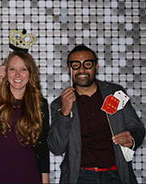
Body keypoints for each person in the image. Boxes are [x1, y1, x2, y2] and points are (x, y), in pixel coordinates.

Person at [47, 44, 145, 183]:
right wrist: (64, 113)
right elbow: (56, 148)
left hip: (117, 175)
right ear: (69, 69)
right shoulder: (59, 104)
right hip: (79, 177)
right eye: (76, 65)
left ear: (96, 67)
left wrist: (132, 139)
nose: (82, 69)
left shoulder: (115, 93)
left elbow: (137, 127)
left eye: (87, 64)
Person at [0, 47, 50, 182]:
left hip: (27, 171)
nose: (17, 74)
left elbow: (42, 143)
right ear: (5, 73)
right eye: (12, 69)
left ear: (30, 73)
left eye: (23, 69)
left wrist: (45, 179)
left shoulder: (40, 104)